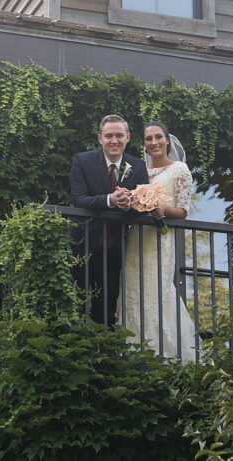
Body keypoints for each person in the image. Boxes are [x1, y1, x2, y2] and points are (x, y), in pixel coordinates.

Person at [119, 121, 197, 362]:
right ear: (143, 143)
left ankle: (168, 356)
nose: (153, 143)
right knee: (132, 291)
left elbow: (183, 211)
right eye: (148, 139)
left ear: (167, 140)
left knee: (156, 291)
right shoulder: (139, 171)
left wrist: (158, 208)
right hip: (136, 238)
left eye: (158, 137)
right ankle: (132, 352)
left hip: (159, 240)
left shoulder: (180, 169)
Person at [69, 114, 149, 324]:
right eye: (109, 136)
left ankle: (102, 353)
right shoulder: (82, 161)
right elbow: (79, 199)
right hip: (84, 245)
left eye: (119, 135)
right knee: (76, 305)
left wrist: (129, 205)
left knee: (106, 309)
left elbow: (143, 206)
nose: (114, 140)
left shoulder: (138, 166)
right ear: (100, 138)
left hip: (115, 251)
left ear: (128, 137)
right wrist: (110, 200)